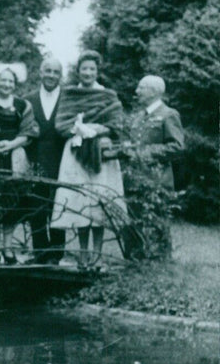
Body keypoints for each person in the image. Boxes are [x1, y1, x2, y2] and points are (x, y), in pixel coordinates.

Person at [51, 51, 126, 269]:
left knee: (99, 199)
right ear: (78, 71)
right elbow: (61, 124)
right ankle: (83, 255)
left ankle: (97, 255)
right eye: (84, 68)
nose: (88, 72)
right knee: (80, 199)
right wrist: (78, 129)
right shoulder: (69, 94)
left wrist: (95, 129)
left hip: (101, 152)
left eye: (92, 69)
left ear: (97, 71)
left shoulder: (108, 96)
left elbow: (116, 124)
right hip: (75, 153)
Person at [0, 62, 39, 264]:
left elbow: (29, 132)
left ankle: (8, 247)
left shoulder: (23, 105)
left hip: (15, 159)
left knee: (13, 203)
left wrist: (11, 144)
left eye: (10, 81)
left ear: (15, 83)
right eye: (2, 80)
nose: (6, 84)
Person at [26, 57, 67, 264]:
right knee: (36, 207)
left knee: (59, 207)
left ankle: (57, 253)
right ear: (40, 73)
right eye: (47, 71)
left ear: (61, 76)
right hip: (35, 160)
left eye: (55, 72)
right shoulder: (28, 99)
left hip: (62, 161)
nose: (51, 75)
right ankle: (40, 252)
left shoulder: (68, 99)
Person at [124, 75, 185, 188]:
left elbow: (177, 146)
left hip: (158, 183)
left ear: (153, 92)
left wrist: (146, 152)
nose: (137, 91)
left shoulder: (169, 114)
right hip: (134, 180)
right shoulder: (139, 116)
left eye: (141, 88)